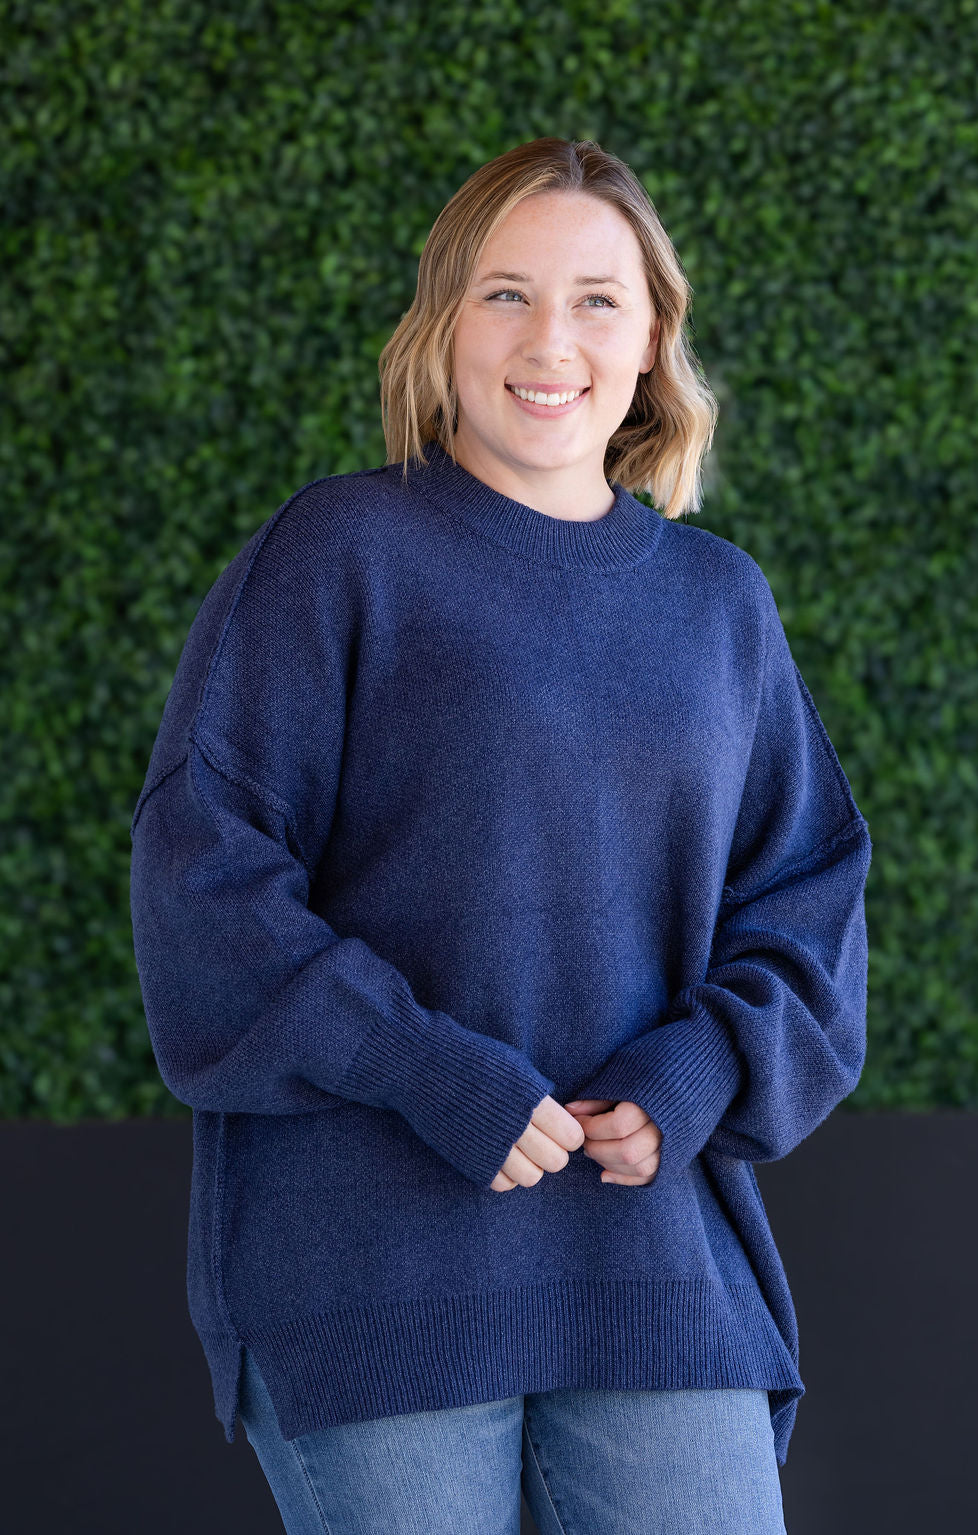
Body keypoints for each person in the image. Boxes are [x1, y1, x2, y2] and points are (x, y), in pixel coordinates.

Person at [129, 136, 871, 1534]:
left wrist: (701, 1069)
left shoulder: (719, 603)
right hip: (374, 1267)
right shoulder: (337, 554)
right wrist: (425, 1067)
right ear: (444, 323)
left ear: (651, 337)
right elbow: (203, 877)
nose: (550, 341)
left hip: (652, 1266)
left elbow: (810, 898)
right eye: (506, 294)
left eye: (598, 300)